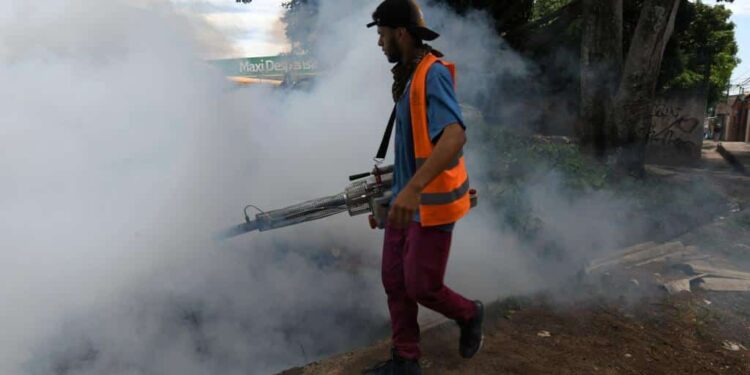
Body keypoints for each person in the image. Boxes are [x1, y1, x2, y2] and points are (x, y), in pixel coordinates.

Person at [364, 1, 483, 373]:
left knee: (421, 285)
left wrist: (413, 189)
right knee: (394, 281)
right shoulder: (408, 76)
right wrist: (392, 190)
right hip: (406, 200)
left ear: (401, 33)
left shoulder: (432, 74)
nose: (380, 44)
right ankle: (405, 360)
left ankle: (468, 313)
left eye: (383, 36)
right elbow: (415, 146)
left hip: (429, 204)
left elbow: (454, 137)